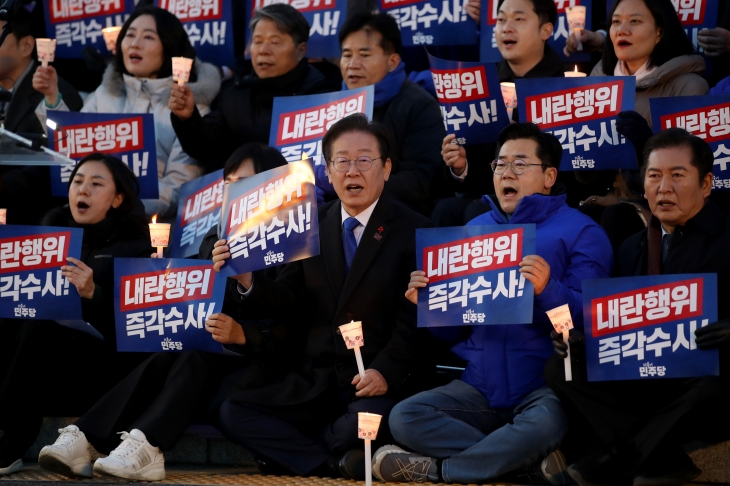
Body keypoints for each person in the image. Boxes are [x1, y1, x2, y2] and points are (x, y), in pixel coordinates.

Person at [35, 144, 300, 482]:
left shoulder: (298, 239)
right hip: (216, 346)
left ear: (273, 186)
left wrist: (244, 330)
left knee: (197, 356)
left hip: (266, 356)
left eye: (245, 182)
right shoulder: (216, 239)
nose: (234, 191)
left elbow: (295, 311)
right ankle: (87, 438)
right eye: (229, 182)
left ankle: (146, 444)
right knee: (173, 351)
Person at [374, 123, 613, 485]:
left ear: (549, 176)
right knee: (405, 417)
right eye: (500, 165)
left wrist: (548, 288)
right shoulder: (475, 228)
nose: (507, 173)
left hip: (543, 390)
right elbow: (454, 329)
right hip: (478, 389)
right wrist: (432, 305)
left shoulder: (583, 231)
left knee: (546, 423)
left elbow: (591, 322)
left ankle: (440, 471)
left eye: (520, 164)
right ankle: (524, 462)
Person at [210, 113, 434, 479]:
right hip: (317, 381)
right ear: (327, 173)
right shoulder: (310, 223)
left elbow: (414, 322)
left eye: (364, 160)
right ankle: (333, 462)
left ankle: (297, 453)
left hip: (374, 380)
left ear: (387, 167)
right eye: (341, 161)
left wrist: (385, 372)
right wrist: (246, 278)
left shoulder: (417, 230)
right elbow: (289, 299)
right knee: (232, 412)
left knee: (362, 425)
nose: (352, 171)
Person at [545, 129, 730, 486]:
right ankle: (660, 458)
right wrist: (581, 339)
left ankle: (618, 458)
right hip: (646, 374)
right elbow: (618, 320)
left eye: (678, 175)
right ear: (642, 184)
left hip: (707, 380)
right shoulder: (631, 246)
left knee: (713, 386)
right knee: (560, 367)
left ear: (706, 184)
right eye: (654, 175)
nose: (664, 187)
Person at [0, 153, 153, 477]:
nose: (82, 190)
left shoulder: (135, 248)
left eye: (96, 184)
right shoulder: (45, 239)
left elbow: (137, 328)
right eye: (78, 182)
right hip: (40, 368)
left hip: (98, 370)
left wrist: (93, 294)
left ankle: (8, 443)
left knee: (40, 324)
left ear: (118, 198)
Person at [33, 6, 221, 220]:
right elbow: (69, 151)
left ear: (169, 48)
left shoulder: (190, 111)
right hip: (91, 219)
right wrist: (52, 98)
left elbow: (179, 186)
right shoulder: (104, 94)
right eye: (129, 34)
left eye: (148, 37)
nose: (135, 43)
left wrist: (121, 203)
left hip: (144, 225)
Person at [433, 0, 569, 226]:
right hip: (494, 193)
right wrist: (461, 166)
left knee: (476, 212)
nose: (507, 27)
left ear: (546, 30)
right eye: (501, 20)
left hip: (546, 198)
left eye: (519, 19)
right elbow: (480, 168)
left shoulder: (567, 83)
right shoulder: (480, 83)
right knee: (445, 210)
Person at [169, 4, 340, 171]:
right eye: (257, 42)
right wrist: (188, 119)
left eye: (275, 42)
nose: (263, 51)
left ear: (301, 50)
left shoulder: (323, 96)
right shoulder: (235, 94)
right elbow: (207, 150)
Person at [315, 12, 446, 216]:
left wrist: (340, 182)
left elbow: (420, 183)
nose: (353, 64)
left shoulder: (419, 106)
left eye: (364, 55)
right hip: (329, 213)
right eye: (347, 55)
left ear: (392, 61)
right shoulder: (324, 103)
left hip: (393, 216)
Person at [0, 8, 83, 225]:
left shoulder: (59, 93)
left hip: (31, 216)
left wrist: (3, 185)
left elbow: (57, 162)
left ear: (26, 45)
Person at [590, 0, 708, 126]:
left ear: (660, 32)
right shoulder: (597, 77)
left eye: (635, 21)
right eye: (616, 21)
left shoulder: (689, 86)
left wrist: (646, 141)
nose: (621, 30)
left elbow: (688, 145)